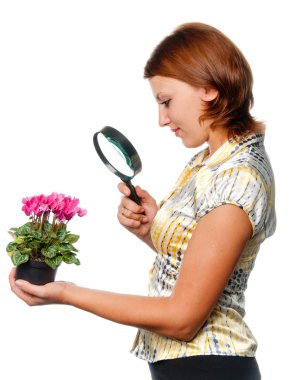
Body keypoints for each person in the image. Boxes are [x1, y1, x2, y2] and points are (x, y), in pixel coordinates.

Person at [9, 23, 276, 380]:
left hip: (210, 367)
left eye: (166, 101)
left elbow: (183, 318)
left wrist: (68, 293)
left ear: (209, 89)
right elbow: (201, 264)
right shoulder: (211, 160)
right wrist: (152, 229)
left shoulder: (237, 176)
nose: (162, 119)